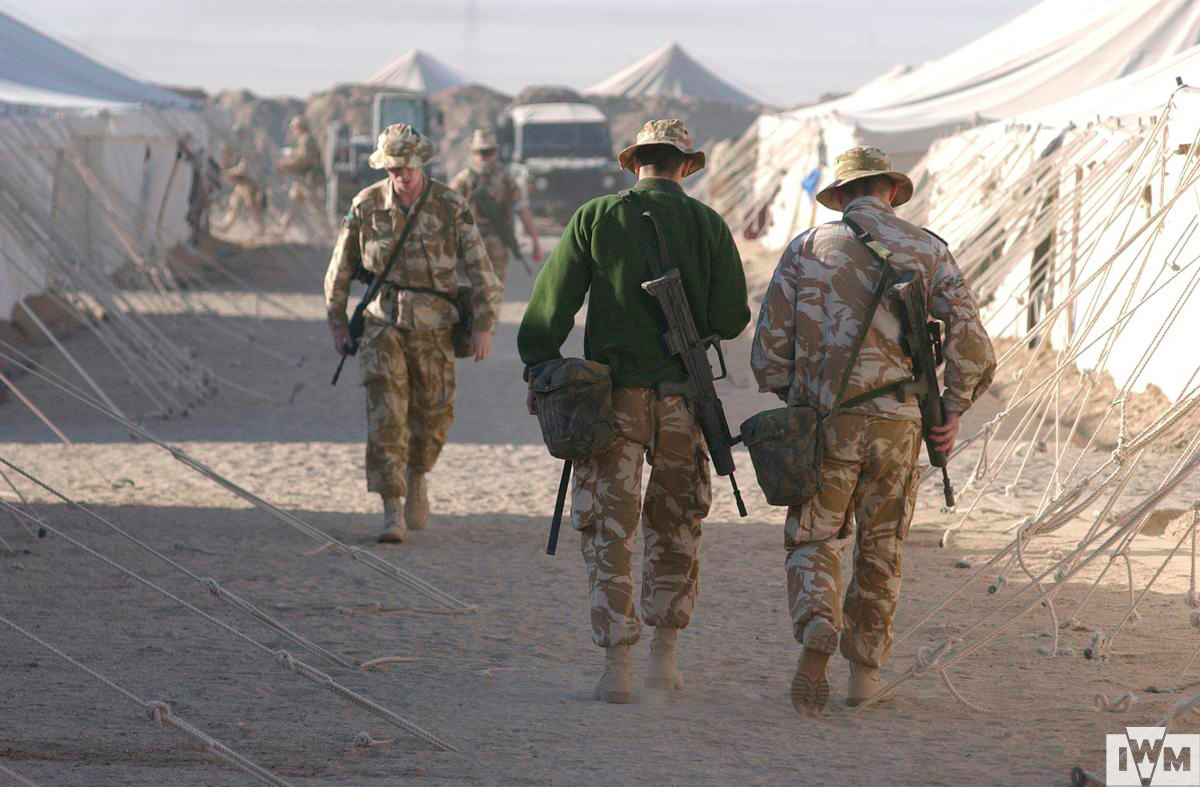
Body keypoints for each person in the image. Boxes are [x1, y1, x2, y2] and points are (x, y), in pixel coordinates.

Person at [750, 146, 996, 716]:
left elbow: (767, 355)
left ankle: (817, 623)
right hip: (901, 425)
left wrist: (799, 396)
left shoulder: (805, 249)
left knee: (814, 536)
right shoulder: (928, 249)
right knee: (881, 547)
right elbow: (973, 346)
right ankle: (864, 676)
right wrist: (953, 408)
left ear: (839, 198)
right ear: (889, 191)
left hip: (824, 424)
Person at [518, 119, 750, 703]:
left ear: (636, 162)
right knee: (676, 525)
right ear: (685, 166)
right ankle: (663, 664)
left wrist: (540, 363)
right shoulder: (708, 224)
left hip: (610, 403)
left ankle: (616, 667)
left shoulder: (596, 217)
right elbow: (731, 317)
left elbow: (552, 307)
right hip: (683, 402)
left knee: (608, 529)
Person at [324, 124, 502, 543]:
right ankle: (392, 509)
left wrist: (484, 324)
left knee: (434, 414)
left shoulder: (449, 204)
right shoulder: (366, 205)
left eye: (409, 167)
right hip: (382, 322)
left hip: (436, 326)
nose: (402, 175)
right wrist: (336, 320)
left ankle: (417, 474)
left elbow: (481, 269)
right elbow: (340, 269)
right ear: (385, 166)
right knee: (386, 412)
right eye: (394, 167)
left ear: (422, 164)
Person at [450, 128, 542, 285]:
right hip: (469, 243)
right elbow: (445, 210)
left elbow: (521, 208)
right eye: (480, 152)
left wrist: (535, 240)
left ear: (495, 152)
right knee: (468, 293)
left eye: (488, 152)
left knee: (494, 292)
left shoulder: (506, 179)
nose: (484, 157)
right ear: (473, 153)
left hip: (497, 244)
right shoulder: (463, 180)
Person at [276, 115, 322, 232]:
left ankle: (328, 233)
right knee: (292, 205)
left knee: (315, 207)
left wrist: (287, 163)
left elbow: (304, 159)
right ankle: (282, 229)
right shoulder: (304, 140)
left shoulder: (306, 140)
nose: (293, 131)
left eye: (294, 128)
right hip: (301, 180)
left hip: (307, 180)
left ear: (300, 127)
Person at [215, 159, 265, 234]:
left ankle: (260, 227)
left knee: (251, 206)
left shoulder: (250, 153)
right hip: (242, 184)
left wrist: (229, 173)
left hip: (250, 184)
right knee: (234, 204)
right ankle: (227, 225)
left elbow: (242, 170)